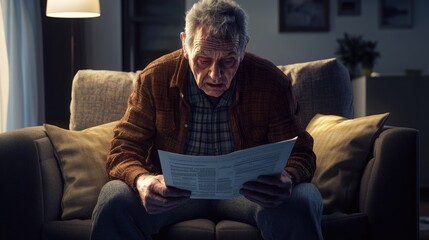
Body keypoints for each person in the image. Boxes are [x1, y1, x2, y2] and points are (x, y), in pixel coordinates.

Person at [91, 0, 323, 239]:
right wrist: (142, 181)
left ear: (243, 48)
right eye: (203, 60)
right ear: (185, 45)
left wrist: (288, 177)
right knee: (114, 197)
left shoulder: (271, 82)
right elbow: (123, 149)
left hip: (247, 195)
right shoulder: (154, 78)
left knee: (303, 198)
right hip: (174, 195)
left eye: (228, 61)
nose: (215, 75)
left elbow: (301, 153)